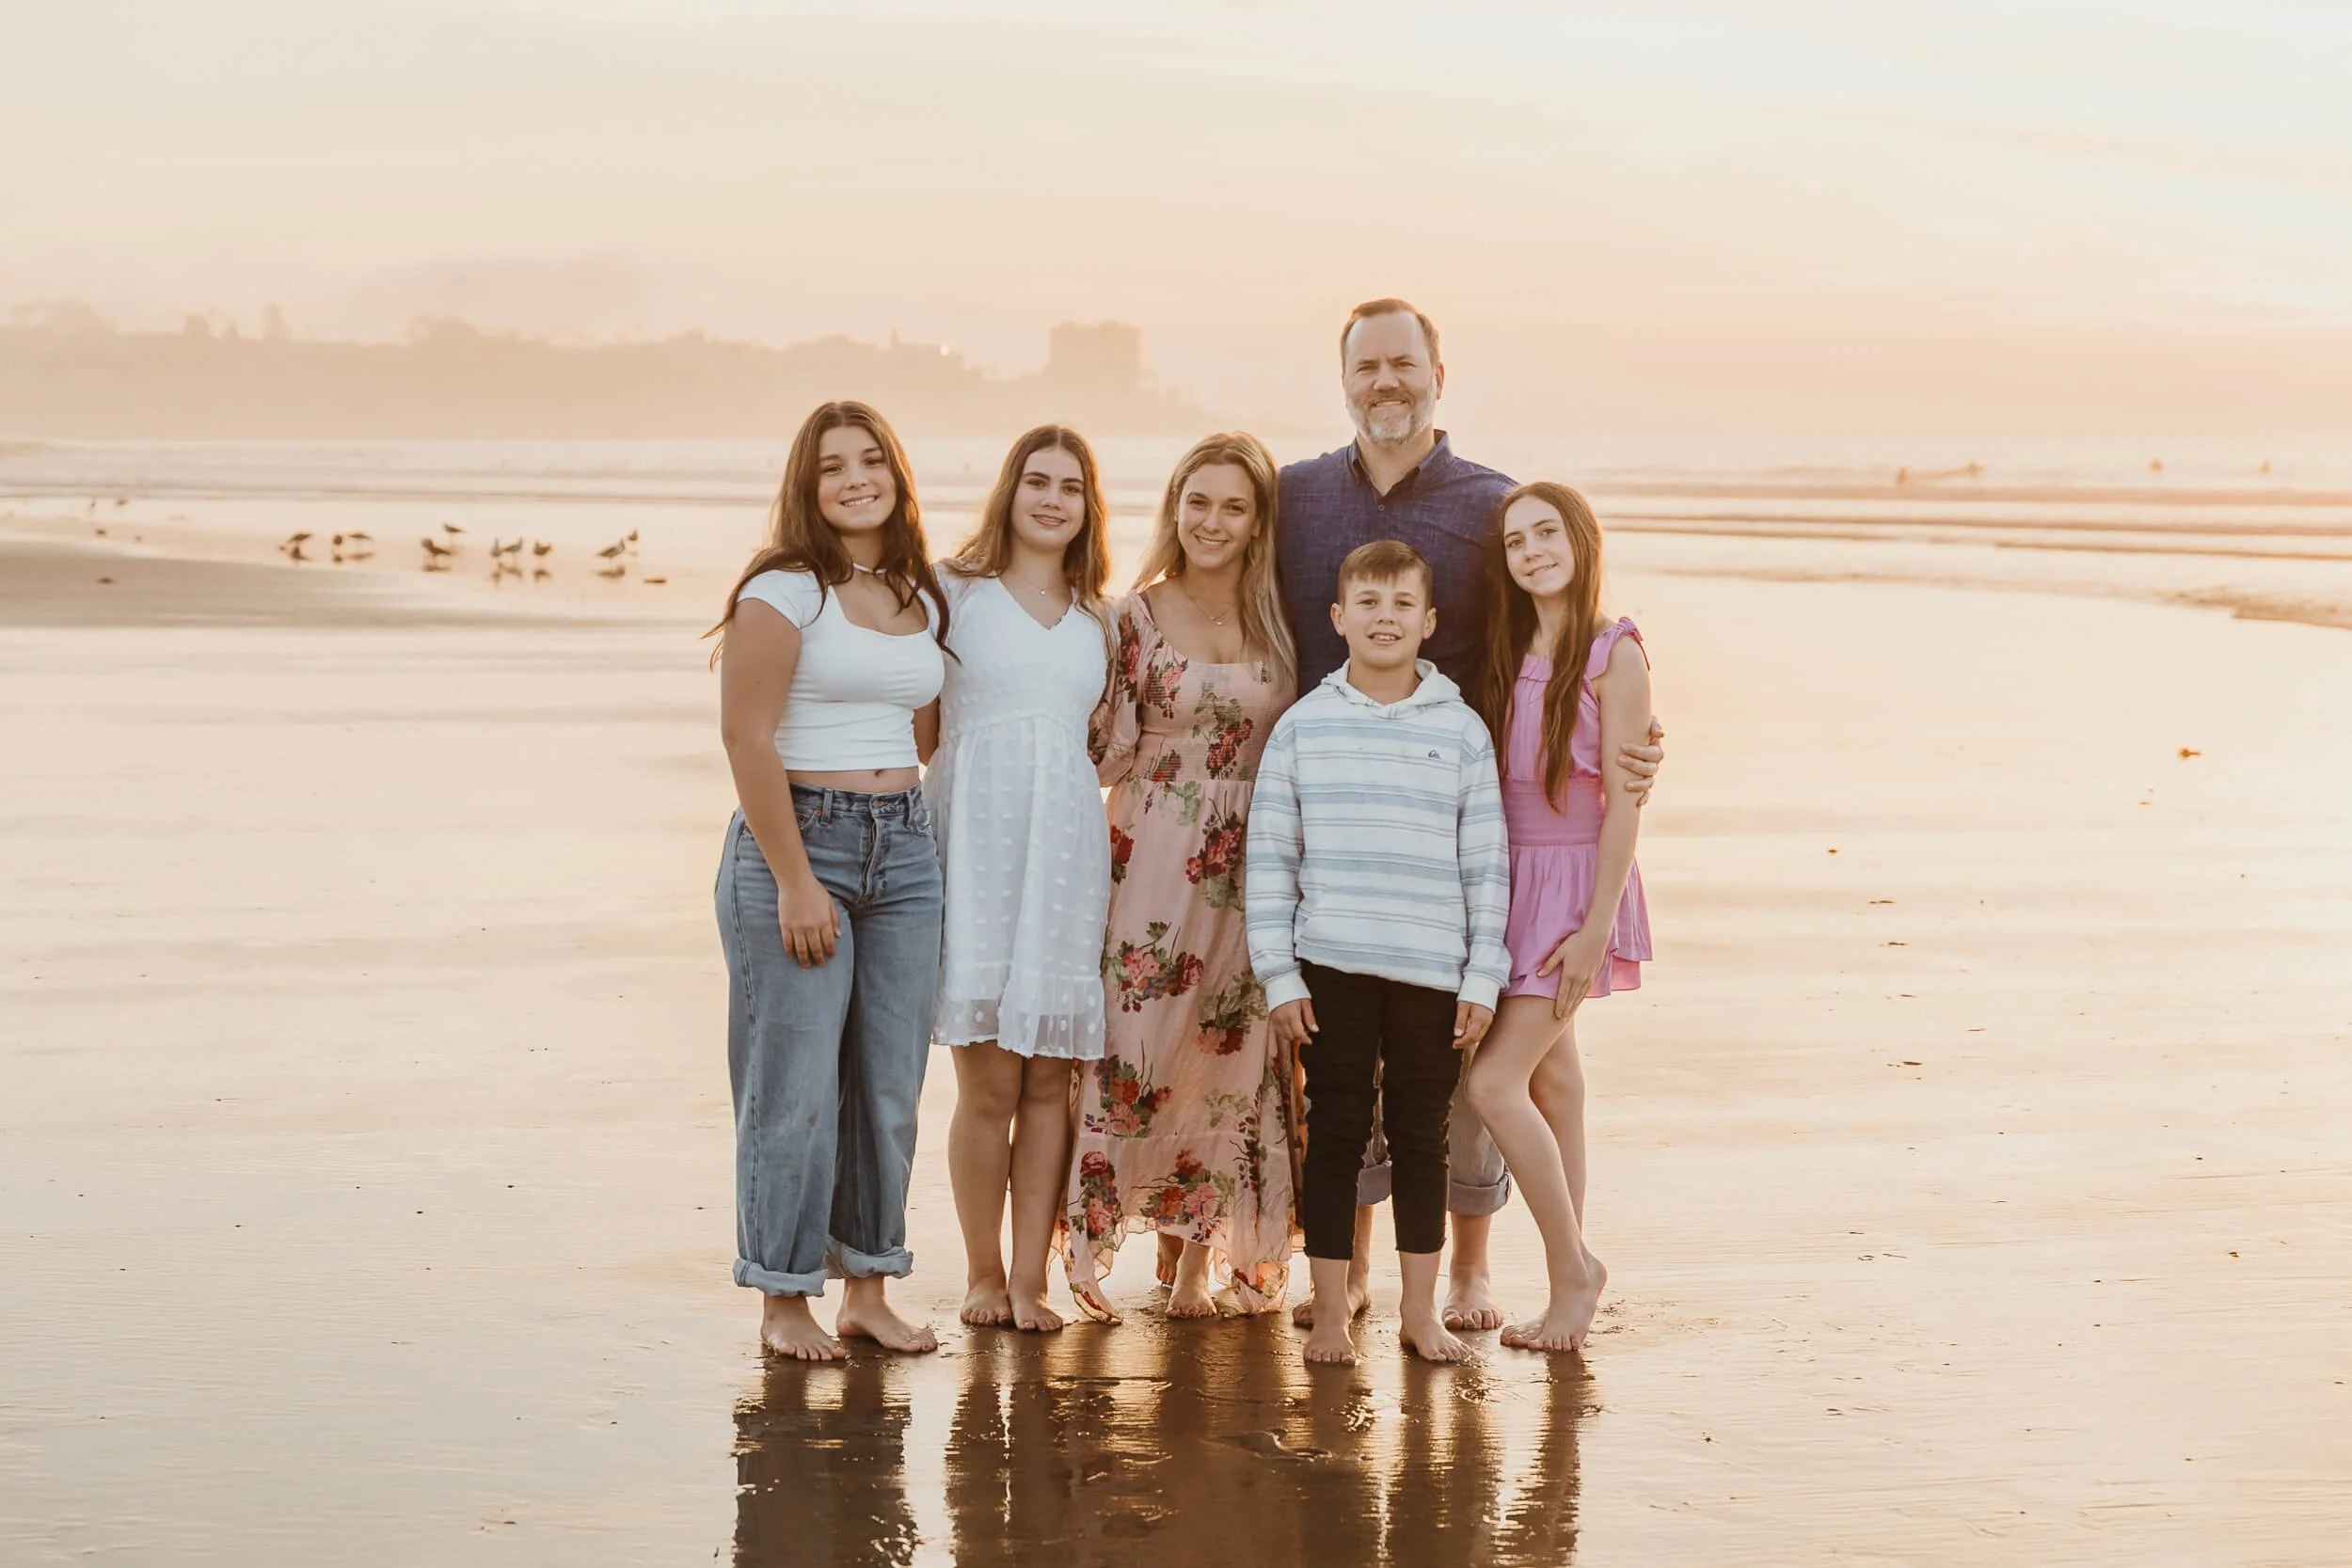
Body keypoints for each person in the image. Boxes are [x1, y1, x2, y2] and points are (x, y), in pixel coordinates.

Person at [1276, 295, 1665, 1333]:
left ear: (1437, 373)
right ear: (1344, 378)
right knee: (1360, 1060)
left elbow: (1555, 641)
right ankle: (1361, 1267)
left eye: (1403, 363)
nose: (1385, 383)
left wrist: (1628, 741)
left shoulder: (1490, 506)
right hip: (1343, 823)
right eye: (1366, 367)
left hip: (1472, 831)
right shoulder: (1297, 498)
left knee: (1473, 1065)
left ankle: (1481, 1271)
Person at [709, 400, 953, 1361]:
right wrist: (795, 880)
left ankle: (867, 1287)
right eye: (832, 467)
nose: (855, 479)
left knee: (889, 1085)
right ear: (807, 489)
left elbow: (921, 732)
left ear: (896, 474)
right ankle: (780, 1296)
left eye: (871, 461)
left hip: (904, 849)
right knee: (794, 1086)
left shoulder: (917, 594)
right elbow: (746, 736)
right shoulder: (784, 590)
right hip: (799, 844)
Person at [1247, 539, 1511, 1366]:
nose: (1385, 618)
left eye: (1402, 605)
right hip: (1331, 969)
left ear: (1429, 622)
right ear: (1338, 618)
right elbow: (1271, 859)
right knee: (1336, 1135)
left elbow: (1488, 865)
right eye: (1368, 602)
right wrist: (1278, 973)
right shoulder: (1304, 727)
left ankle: (1420, 1313)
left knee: (1421, 1137)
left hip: (1433, 973)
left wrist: (1484, 974)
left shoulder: (1462, 731)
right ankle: (1330, 1313)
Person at [1064, 433, 1300, 1322]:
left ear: (1257, 521)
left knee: (1229, 1050)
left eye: (1233, 506)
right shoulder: (1131, 616)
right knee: (1138, 1046)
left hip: (1258, 858)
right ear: (1174, 508)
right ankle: (1101, 1252)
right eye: (1197, 502)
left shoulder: (1282, 612)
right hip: (1150, 852)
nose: (1212, 520)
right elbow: (1095, 745)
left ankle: (1195, 1268)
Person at [930, 424, 1115, 1333]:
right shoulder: (954, 592)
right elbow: (925, 728)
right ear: (1008, 491)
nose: (1051, 499)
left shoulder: (1099, 616)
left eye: (1070, 487)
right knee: (990, 1085)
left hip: (1066, 859)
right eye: (1036, 481)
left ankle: (1034, 1283)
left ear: (1089, 507)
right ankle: (981, 1273)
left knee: (1051, 1086)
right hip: (977, 847)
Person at [1463, 483, 1651, 1353]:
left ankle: (1575, 1269)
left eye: (1547, 532)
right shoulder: (1506, 644)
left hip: (1572, 886)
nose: (1532, 549)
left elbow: (1623, 803)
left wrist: (1595, 924)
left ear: (1580, 538)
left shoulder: (1614, 652)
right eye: (1515, 540)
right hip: (1511, 878)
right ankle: (1566, 1286)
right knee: (1556, 1082)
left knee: (1495, 1083)